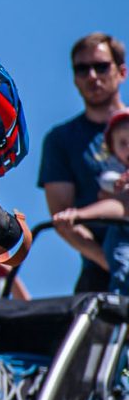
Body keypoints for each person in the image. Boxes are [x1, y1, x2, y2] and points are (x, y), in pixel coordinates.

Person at [38, 33, 128, 293]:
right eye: (82, 68)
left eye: (101, 66)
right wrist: (113, 264)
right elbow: (63, 220)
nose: (92, 76)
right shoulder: (61, 139)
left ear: (121, 72)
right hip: (100, 274)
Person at [49, 108, 129, 294]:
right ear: (113, 151)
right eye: (123, 144)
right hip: (119, 246)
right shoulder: (113, 178)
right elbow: (119, 202)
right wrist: (78, 216)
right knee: (124, 273)